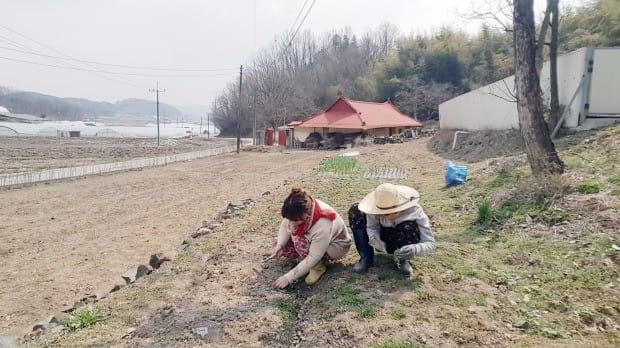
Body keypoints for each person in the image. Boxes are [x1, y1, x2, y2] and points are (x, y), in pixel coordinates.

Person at [270, 188, 352, 289]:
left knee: (300, 243)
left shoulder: (323, 222)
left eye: (294, 221)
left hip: (335, 246)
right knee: (284, 245)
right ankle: (304, 263)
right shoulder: (300, 208)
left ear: (306, 217)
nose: (291, 223)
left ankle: (317, 267)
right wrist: (280, 244)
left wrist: (288, 278)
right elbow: (285, 224)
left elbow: (314, 256)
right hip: (316, 240)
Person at [348, 183, 436, 276]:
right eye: (385, 213)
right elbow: (372, 227)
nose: (390, 216)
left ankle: (403, 260)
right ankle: (366, 258)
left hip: (404, 240)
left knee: (409, 226)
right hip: (384, 237)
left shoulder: (415, 211)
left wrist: (415, 249)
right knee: (356, 210)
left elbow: (431, 243)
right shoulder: (374, 208)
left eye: (395, 212)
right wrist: (375, 240)